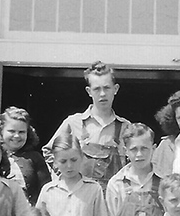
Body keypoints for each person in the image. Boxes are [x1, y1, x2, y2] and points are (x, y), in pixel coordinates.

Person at [42, 61, 130, 190]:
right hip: (80, 198)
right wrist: (67, 176)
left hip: (111, 200)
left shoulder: (125, 127)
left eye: (106, 88)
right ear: (89, 91)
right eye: (97, 89)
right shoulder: (73, 123)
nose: (102, 94)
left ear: (115, 89)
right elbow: (49, 151)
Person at [106, 123, 164, 216]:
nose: (139, 154)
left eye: (144, 148)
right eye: (134, 149)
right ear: (125, 151)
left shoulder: (164, 182)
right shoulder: (116, 184)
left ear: (153, 148)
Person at [0, 106, 51, 205]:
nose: (16, 136)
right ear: (1, 131)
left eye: (21, 132)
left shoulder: (35, 158)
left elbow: (46, 190)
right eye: (12, 131)